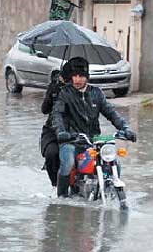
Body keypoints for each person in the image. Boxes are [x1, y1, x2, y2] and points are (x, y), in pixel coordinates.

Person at [52, 57, 137, 197]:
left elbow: (111, 113)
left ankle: (111, 191)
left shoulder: (96, 93)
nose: (77, 79)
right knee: (68, 163)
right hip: (72, 140)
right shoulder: (64, 94)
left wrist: (125, 128)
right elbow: (57, 115)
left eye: (81, 76)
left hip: (94, 141)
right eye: (74, 76)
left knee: (113, 161)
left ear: (87, 76)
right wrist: (61, 132)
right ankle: (61, 198)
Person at [40, 62, 72, 188]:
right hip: (53, 132)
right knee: (51, 154)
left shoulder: (85, 92)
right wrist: (51, 94)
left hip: (76, 131)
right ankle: (55, 185)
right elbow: (44, 110)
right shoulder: (55, 88)